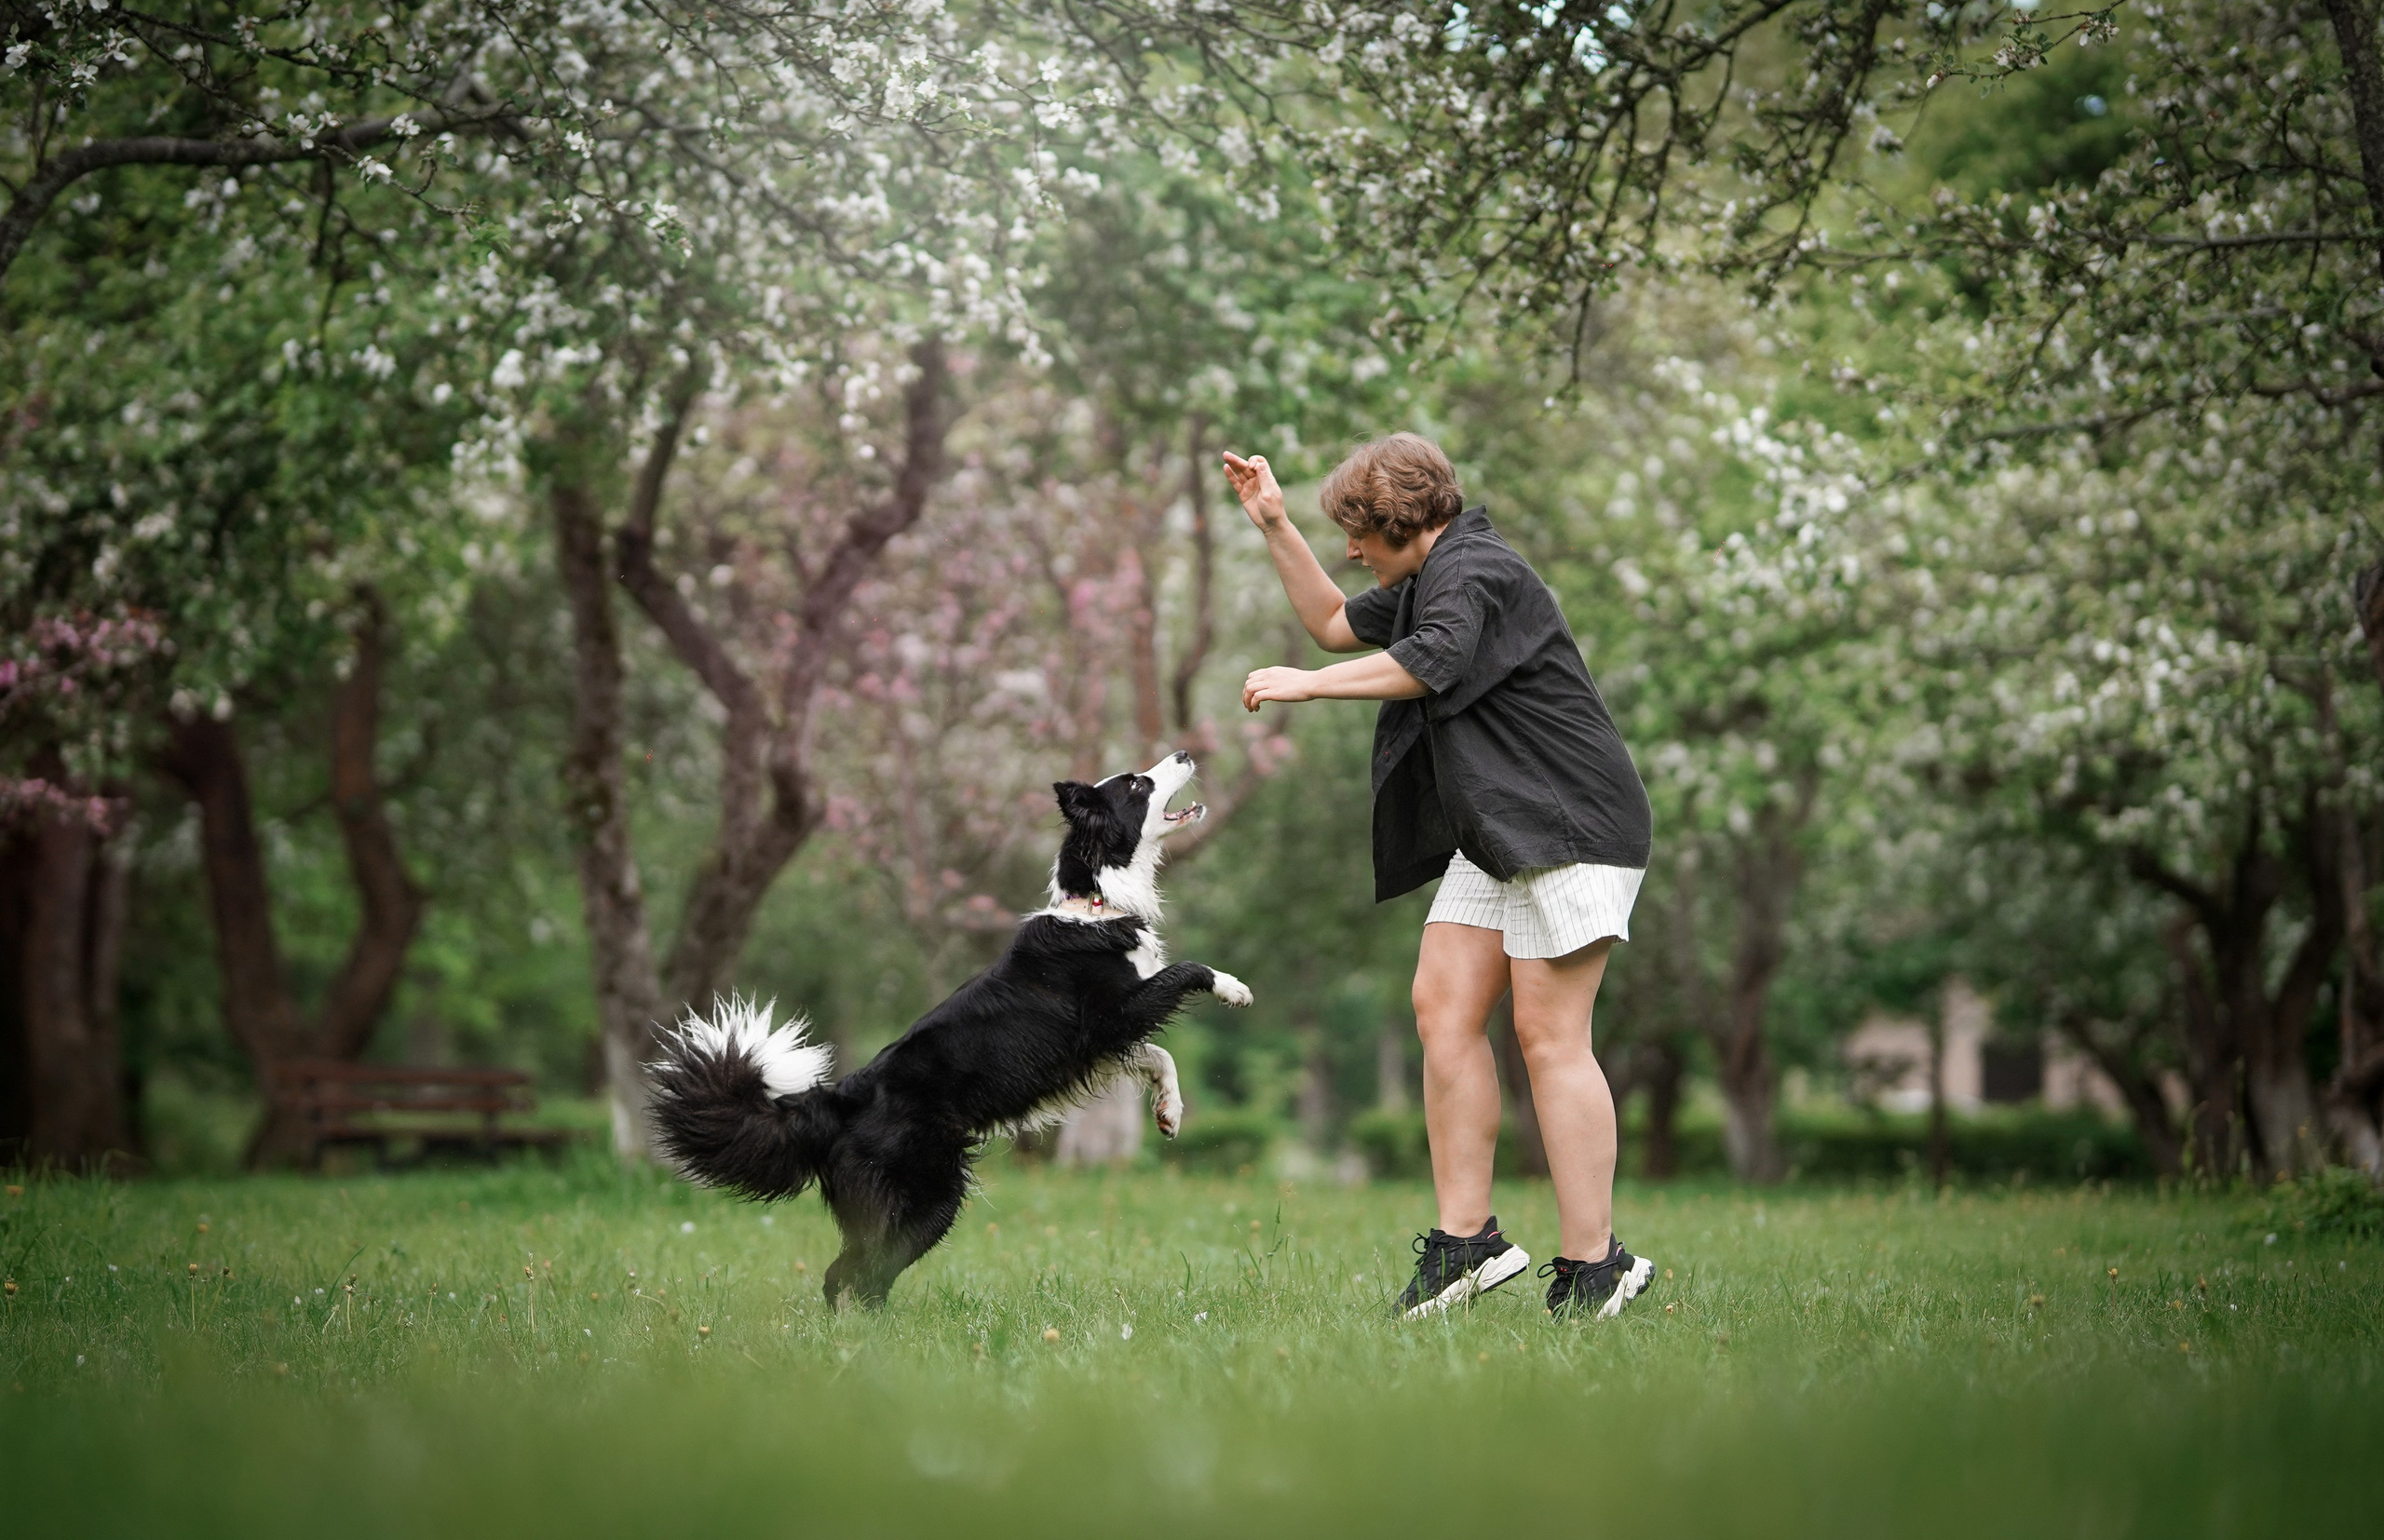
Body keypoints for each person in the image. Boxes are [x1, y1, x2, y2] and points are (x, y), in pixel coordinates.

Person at [1226, 434, 1658, 1320]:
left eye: (1357, 532)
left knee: (1549, 1035)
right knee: (1443, 1006)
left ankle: (1595, 1266)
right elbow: (1335, 624)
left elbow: (1431, 666)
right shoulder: (1429, 576)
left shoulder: (1477, 573)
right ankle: (1467, 1244)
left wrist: (1308, 689)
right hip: (1501, 827)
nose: (1351, 548)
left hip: (1568, 821)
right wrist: (1273, 524)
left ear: (1400, 523)